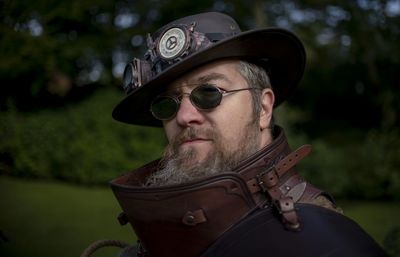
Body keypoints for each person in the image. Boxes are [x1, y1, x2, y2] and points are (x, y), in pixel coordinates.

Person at [109, 12, 387, 257]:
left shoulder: (323, 242)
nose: (183, 116)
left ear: (263, 108)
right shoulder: (168, 226)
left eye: (209, 93)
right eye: (166, 104)